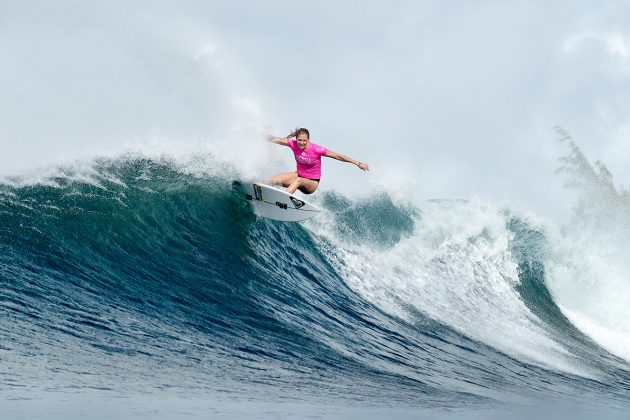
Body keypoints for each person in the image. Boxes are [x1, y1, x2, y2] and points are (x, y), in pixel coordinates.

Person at [266, 128, 369, 194]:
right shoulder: (292, 144)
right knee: (271, 180)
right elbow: (275, 139)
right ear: (296, 139)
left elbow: (337, 156)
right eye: (299, 140)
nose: (301, 143)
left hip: (311, 182)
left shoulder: (316, 149)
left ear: (309, 140)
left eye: (304, 140)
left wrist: (358, 163)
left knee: (298, 181)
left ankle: (283, 200)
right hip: (299, 175)